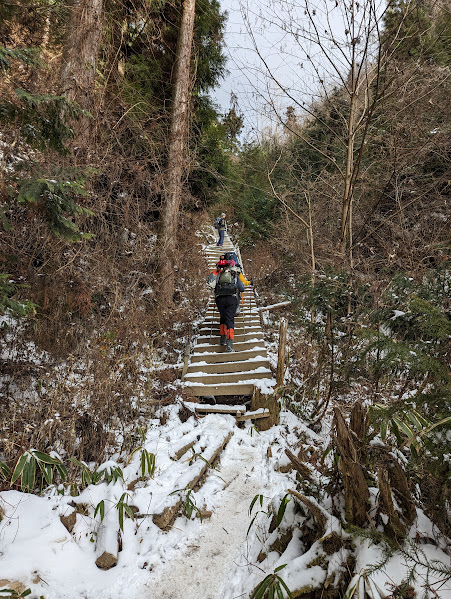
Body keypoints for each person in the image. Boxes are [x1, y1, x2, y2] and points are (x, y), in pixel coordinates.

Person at [208, 258, 245, 352]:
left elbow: (210, 285)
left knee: (223, 317)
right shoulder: (234, 274)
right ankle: (229, 343)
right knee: (230, 319)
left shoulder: (217, 274)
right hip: (231, 299)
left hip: (220, 299)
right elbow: (241, 288)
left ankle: (222, 337)